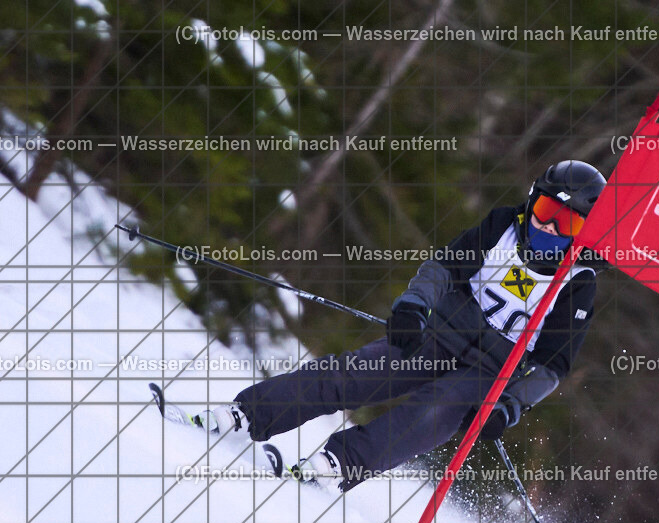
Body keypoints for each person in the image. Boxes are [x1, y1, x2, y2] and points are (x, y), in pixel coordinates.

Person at [199, 160, 606, 491]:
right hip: (439, 333)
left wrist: (508, 407)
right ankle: (248, 414)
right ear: (532, 201)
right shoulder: (502, 225)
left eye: (567, 223)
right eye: (546, 212)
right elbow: (443, 268)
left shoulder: (578, 281)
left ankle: (339, 464)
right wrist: (413, 307)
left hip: (486, 374)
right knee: (356, 371)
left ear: (583, 233)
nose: (549, 228)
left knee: (433, 411)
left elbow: (552, 365)